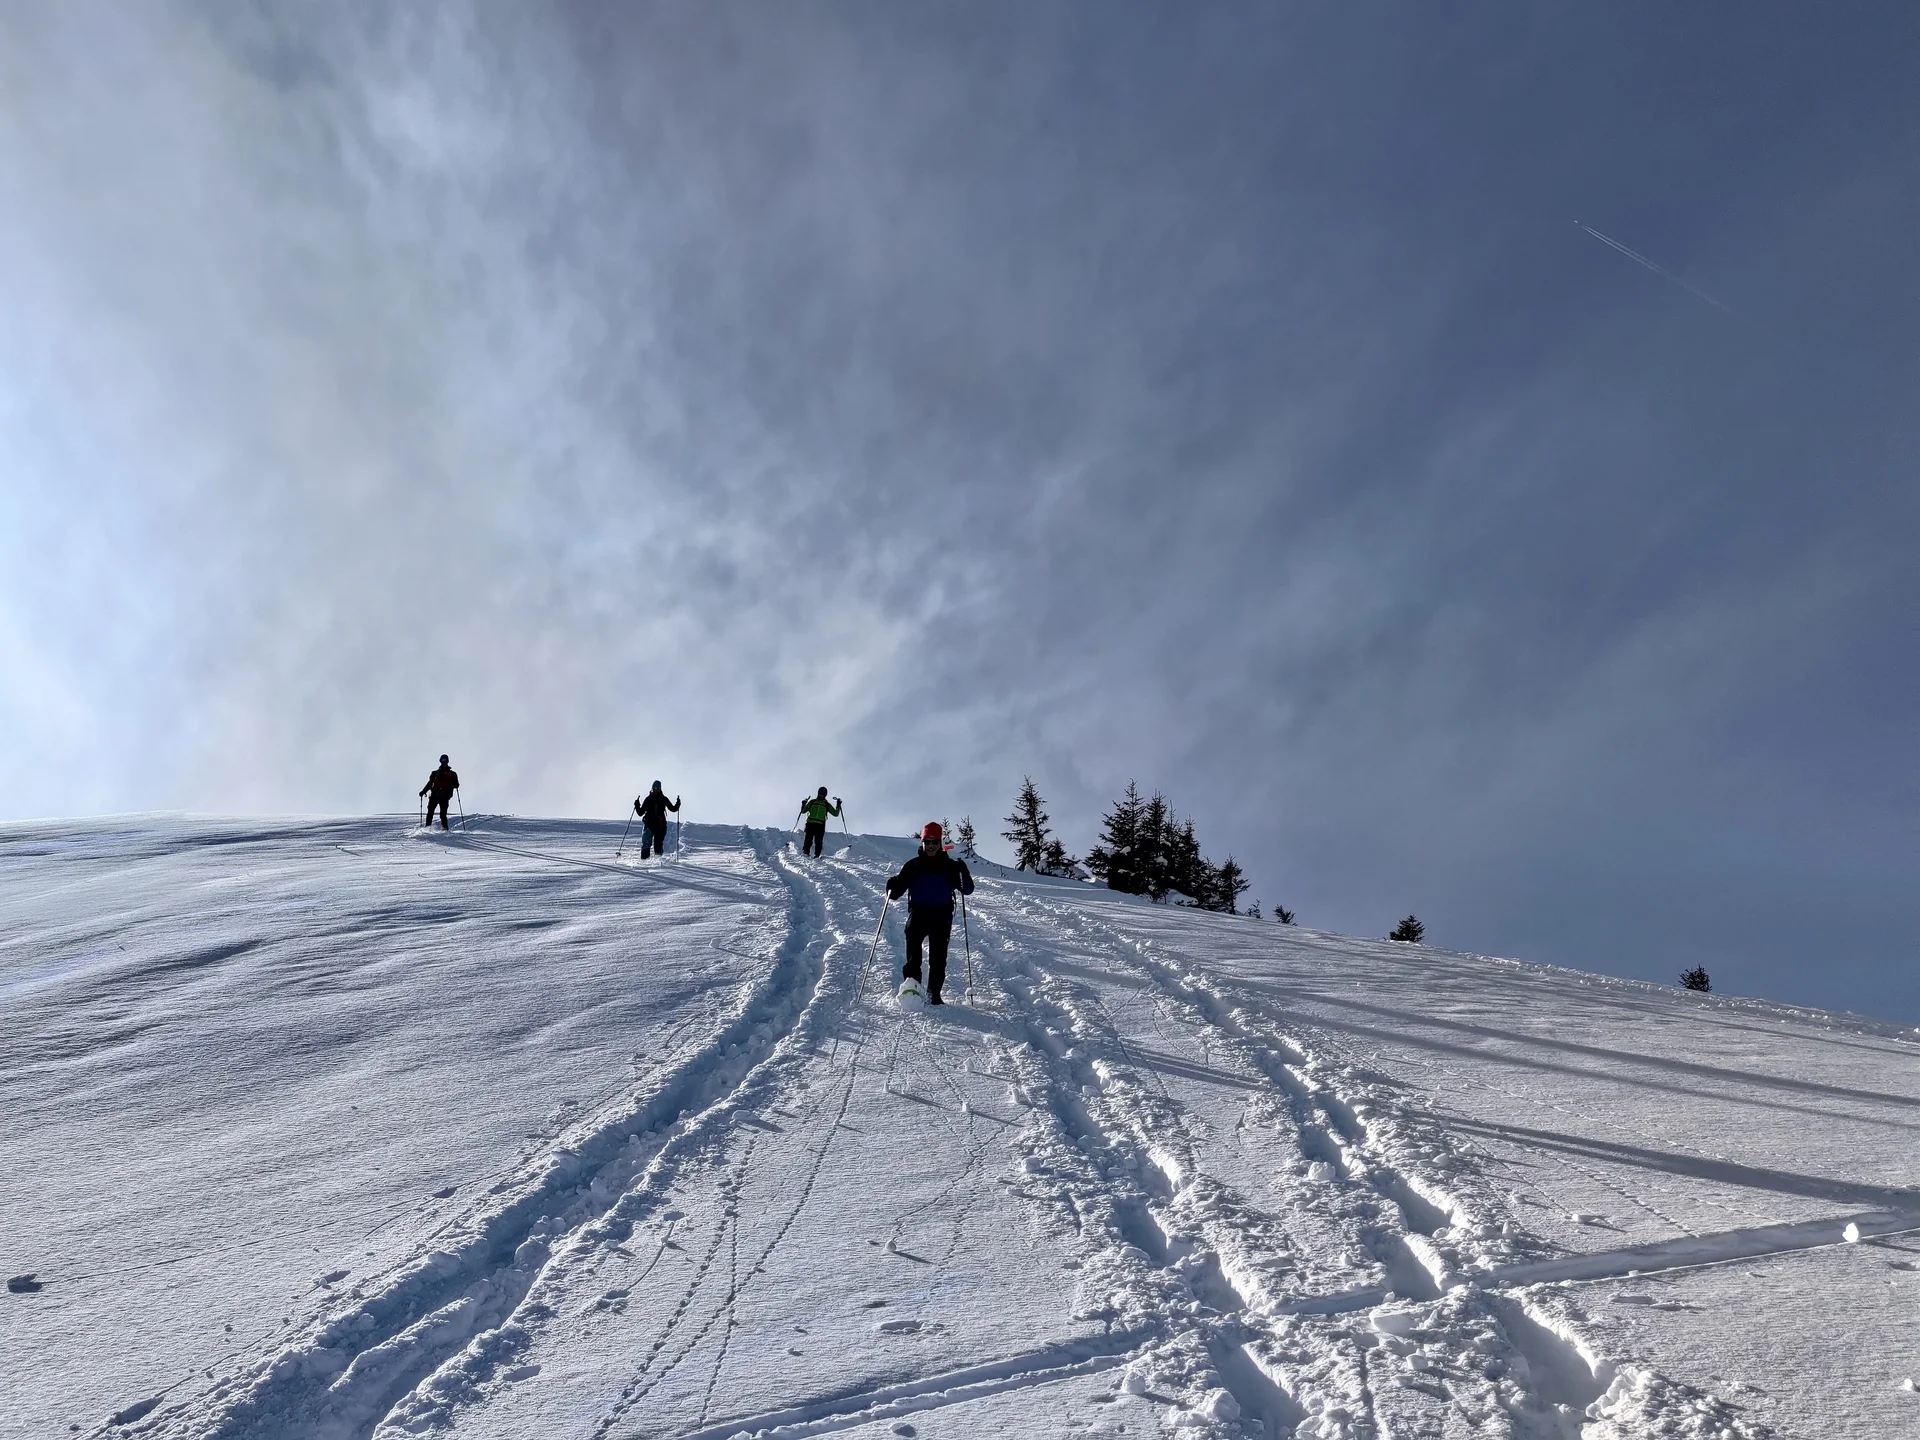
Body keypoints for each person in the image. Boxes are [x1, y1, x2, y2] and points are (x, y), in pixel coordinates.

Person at [884, 822, 974, 1004]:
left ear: (940, 843)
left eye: (934, 842)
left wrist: (964, 872)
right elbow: (896, 892)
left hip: (941, 917)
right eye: (928, 842)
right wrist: (891, 885)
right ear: (922, 843)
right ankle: (911, 989)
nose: (931, 846)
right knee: (913, 956)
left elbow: (968, 890)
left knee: (938, 959)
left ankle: (934, 995)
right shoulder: (913, 866)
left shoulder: (950, 867)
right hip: (918, 914)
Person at [634, 781, 681, 859]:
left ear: (660, 789)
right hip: (650, 823)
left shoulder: (662, 799)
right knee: (646, 842)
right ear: (652, 788)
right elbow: (640, 812)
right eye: (655, 788)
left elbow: (673, 809)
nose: (656, 790)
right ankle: (645, 861)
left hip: (659, 824)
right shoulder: (649, 799)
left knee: (658, 843)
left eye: (658, 788)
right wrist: (637, 805)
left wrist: (678, 804)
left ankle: (657, 862)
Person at [798, 787, 842, 858]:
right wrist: (803, 804)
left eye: (824, 794)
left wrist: (838, 805)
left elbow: (835, 813)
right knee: (808, 839)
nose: (822, 795)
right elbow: (803, 811)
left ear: (825, 795)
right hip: (810, 823)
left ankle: (817, 855)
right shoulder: (812, 802)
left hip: (820, 824)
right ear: (818, 793)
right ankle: (806, 853)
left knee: (818, 841)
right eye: (821, 793)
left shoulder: (826, 804)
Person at [419, 755, 459, 830]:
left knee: (441, 814)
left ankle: (441, 829)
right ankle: (432, 828)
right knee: (432, 812)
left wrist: (455, 784)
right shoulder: (435, 773)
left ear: (447, 761)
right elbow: (430, 783)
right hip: (437, 795)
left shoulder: (452, 774)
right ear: (440, 761)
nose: (443, 762)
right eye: (442, 760)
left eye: (445, 760)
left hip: (443, 796)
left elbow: (456, 784)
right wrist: (423, 791)